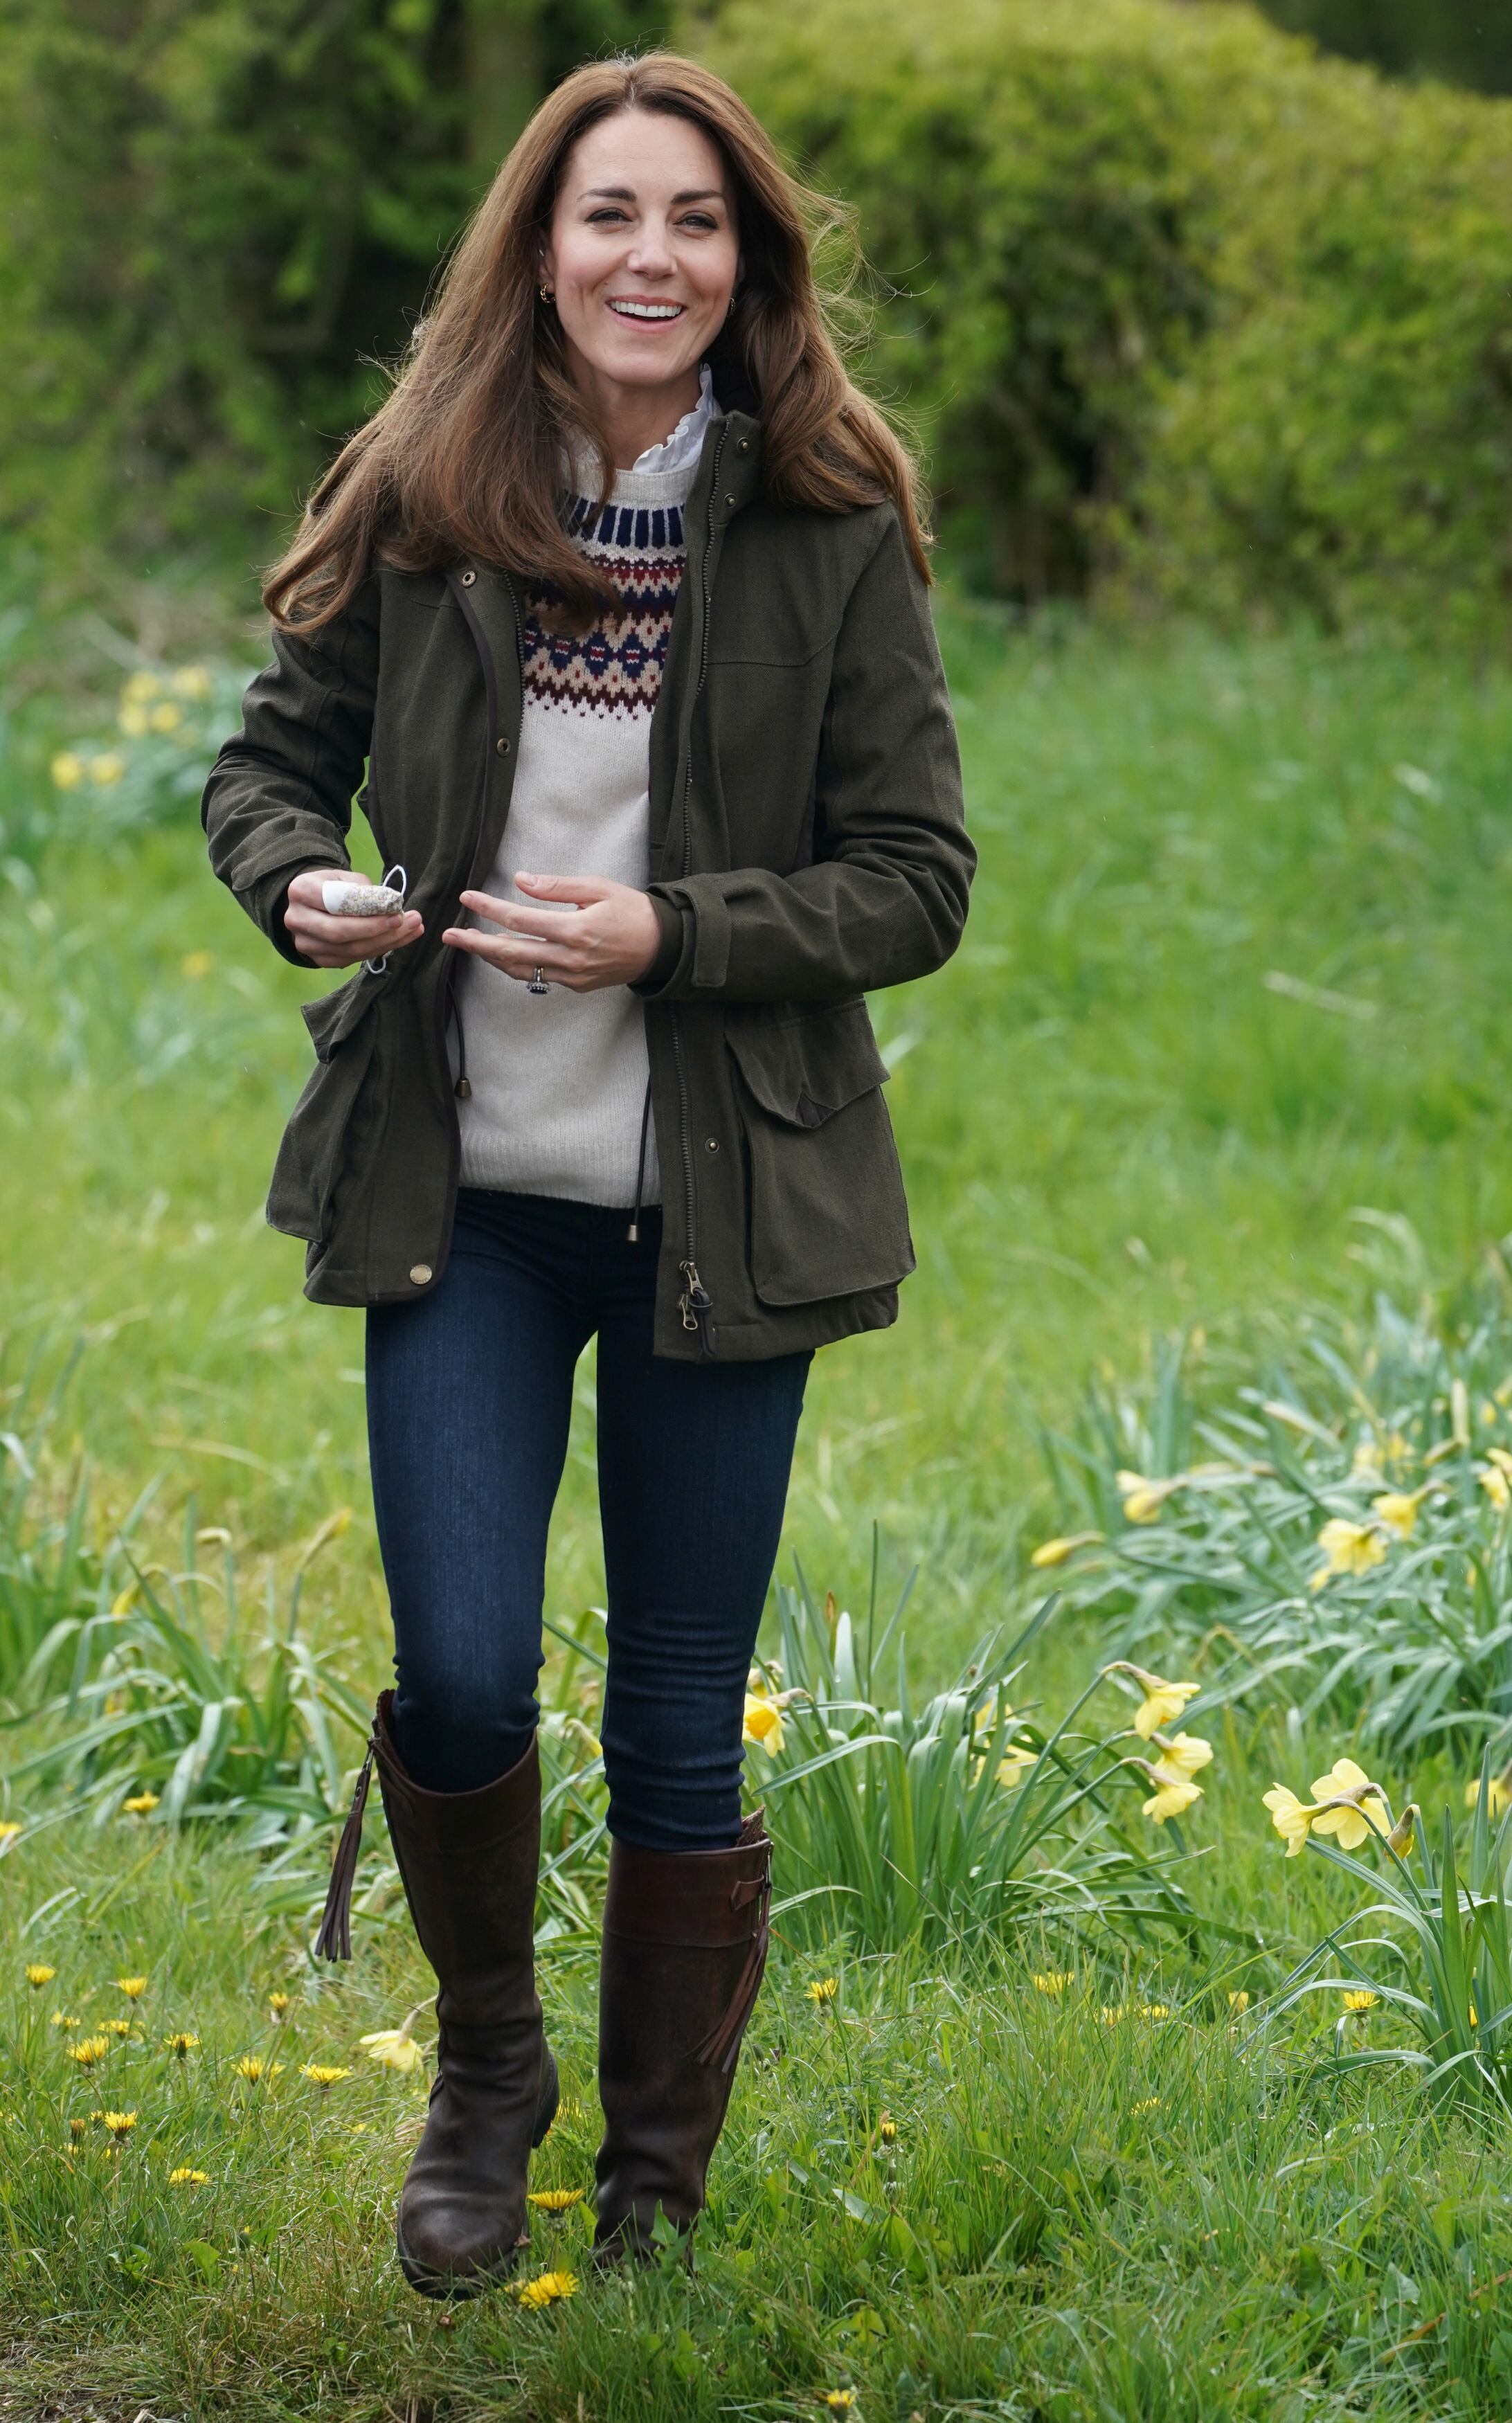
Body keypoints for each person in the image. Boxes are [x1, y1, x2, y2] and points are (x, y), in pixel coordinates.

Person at [202, 49, 971, 2296]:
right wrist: (301, 890)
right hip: (466, 1189)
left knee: (670, 1701)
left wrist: (679, 933)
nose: (656, 257)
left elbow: (917, 878)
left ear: (749, 269)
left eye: (700, 224)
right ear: (540, 246)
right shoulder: (428, 486)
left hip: (730, 1208)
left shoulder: (827, 515)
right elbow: (272, 769)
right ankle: (486, 2070)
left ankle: (651, 2177)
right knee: (458, 1670)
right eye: (613, 214)